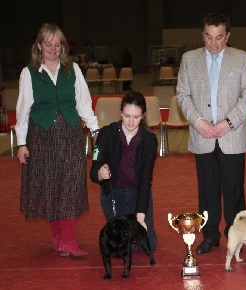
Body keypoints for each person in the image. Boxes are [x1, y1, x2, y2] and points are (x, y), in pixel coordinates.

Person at [16, 23, 100, 256]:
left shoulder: (72, 69)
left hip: (70, 134)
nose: (53, 49)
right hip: (41, 136)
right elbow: (23, 110)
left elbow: (83, 103)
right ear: (39, 47)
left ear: (62, 46)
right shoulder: (28, 73)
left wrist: (95, 130)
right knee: (49, 187)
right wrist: (22, 143)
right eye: (48, 44)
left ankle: (70, 241)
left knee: (71, 184)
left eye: (57, 44)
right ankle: (59, 239)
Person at [176, 13, 246, 254]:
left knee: (234, 191)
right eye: (208, 37)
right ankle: (209, 236)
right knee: (207, 190)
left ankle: (237, 236)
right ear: (203, 35)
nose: (213, 43)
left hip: (232, 136)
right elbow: (183, 95)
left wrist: (228, 123)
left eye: (219, 37)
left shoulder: (241, 59)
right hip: (202, 136)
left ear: (228, 36)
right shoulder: (189, 59)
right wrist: (199, 122)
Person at [89, 91, 157, 251]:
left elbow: (145, 180)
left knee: (148, 246)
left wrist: (141, 217)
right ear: (120, 113)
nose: (131, 121)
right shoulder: (106, 134)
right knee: (125, 247)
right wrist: (100, 173)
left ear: (143, 116)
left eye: (136, 117)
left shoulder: (149, 140)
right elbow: (93, 172)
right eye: (127, 116)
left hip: (137, 192)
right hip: (113, 193)